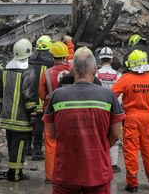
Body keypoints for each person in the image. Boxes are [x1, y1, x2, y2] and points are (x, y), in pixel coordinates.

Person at [43, 47, 124, 194]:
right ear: (94, 69)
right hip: (98, 170)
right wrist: (100, 145)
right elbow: (116, 134)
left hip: (66, 171)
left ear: (73, 69)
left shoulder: (57, 95)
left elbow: (52, 133)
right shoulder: (108, 96)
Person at [112, 50, 149, 192]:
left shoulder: (125, 79)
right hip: (147, 118)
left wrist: (118, 111)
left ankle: (132, 184)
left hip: (131, 118)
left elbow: (112, 95)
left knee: (131, 151)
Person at [0, 39, 39, 182]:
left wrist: (2, 109)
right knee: (20, 147)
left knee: (11, 146)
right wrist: (33, 115)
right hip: (22, 120)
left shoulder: (5, 69)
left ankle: (12, 171)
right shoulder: (29, 71)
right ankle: (15, 174)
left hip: (7, 118)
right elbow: (29, 97)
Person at [39, 41, 72, 183]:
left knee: (51, 144)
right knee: (69, 142)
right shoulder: (72, 71)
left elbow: (41, 95)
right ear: (65, 56)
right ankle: (68, 173)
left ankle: (50, 176)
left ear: (52, 56)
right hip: (69, 112)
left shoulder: (46, 74)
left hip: (51, 112)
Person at [29, 35, 55, 161]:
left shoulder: (30, 60)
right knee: (40, 123)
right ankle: (37, 150)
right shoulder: (50, 62)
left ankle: (27, 147)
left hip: (29, 96)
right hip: (43, 96)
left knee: (30, 121)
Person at [96, 47, 122, 173]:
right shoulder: (118, 75)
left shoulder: (95, 74)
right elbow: (121, 94)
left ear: (100, 59)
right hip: (114, 109)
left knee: (99, 136)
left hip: (99, 109)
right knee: (114, 136)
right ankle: (113, 164)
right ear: (112, 59)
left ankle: (99, 162)